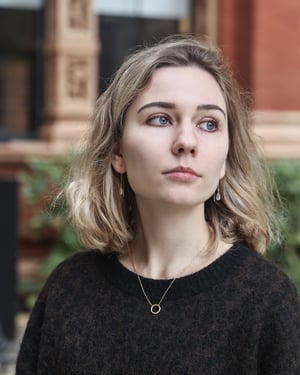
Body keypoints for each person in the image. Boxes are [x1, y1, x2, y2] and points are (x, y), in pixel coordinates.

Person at [16, 35, 300, 374]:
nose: (186, 142)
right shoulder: (68, 289)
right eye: (161, 119)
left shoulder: (267, 299)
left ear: (225, 160)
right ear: (117, 151)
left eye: (209, 124)